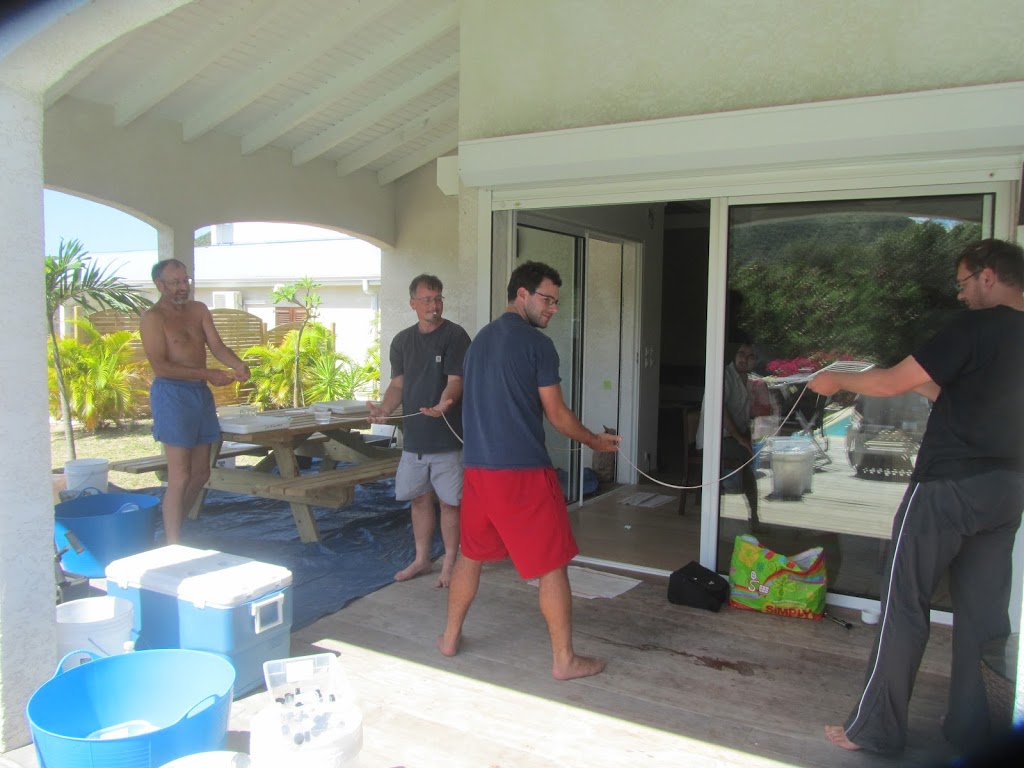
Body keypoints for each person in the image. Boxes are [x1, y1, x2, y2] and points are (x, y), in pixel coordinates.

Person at [809, 238, 1024, 756]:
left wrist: (835, 378)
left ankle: (876, 729)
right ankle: (979, 732)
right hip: (1007, 490)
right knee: (985, 616)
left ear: (987, 277)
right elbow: (949, 392)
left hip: (945, 489)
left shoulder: (976, 327)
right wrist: (901, 380)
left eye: (963, 283)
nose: (961, 295)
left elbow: (888, 383)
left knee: (905, 604)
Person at [437, 261, 621, 680]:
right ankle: (564, 660)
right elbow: (557, 416)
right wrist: (594, 441)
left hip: (479, 470)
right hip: (520, 472)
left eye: (556, 301)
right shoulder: (538, 346)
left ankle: (449, 638)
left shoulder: (479, 341)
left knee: (471, 555)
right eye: (547, 299)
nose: (553, 308)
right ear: (522, 294)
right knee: (552, 564)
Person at [367, 275, 470, 588]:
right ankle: (422, 558)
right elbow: (397, 385)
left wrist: (444, 405)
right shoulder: (401, 341)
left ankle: (451, 561)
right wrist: (384, 410)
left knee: (451, 503)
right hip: (415, 441)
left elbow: (456, 380)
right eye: (426, 299)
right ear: (412, 303)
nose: (433, 305)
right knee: (419, 500)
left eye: (438, 298)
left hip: (448, 439)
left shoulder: (455, 336)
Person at [140, 259, 251, 544]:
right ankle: (172, 543)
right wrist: (208, 373)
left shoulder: (199, 310)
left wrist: (238, 365)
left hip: (200, 394)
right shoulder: (153, 318)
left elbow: (217, 346)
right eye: (175, 282)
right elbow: (161, 367)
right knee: (180, 473)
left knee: (200, 473)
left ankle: (175, 527)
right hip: (172, 394)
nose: (182, 287)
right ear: (159, 285)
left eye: (185, 280)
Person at [697, 342, 760, 529]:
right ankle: (753, 517)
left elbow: (749, 415)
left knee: (752, 452)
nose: (744, 359)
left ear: (755, 361)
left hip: (732, 436)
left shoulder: (749, 381)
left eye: (750, 356)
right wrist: (740, 438)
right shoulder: (724, 375)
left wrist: (746, 436)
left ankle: (754, 515)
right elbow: (720, 409)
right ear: (735, 355)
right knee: (747, 459)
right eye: (741, 353)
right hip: (715, 439)